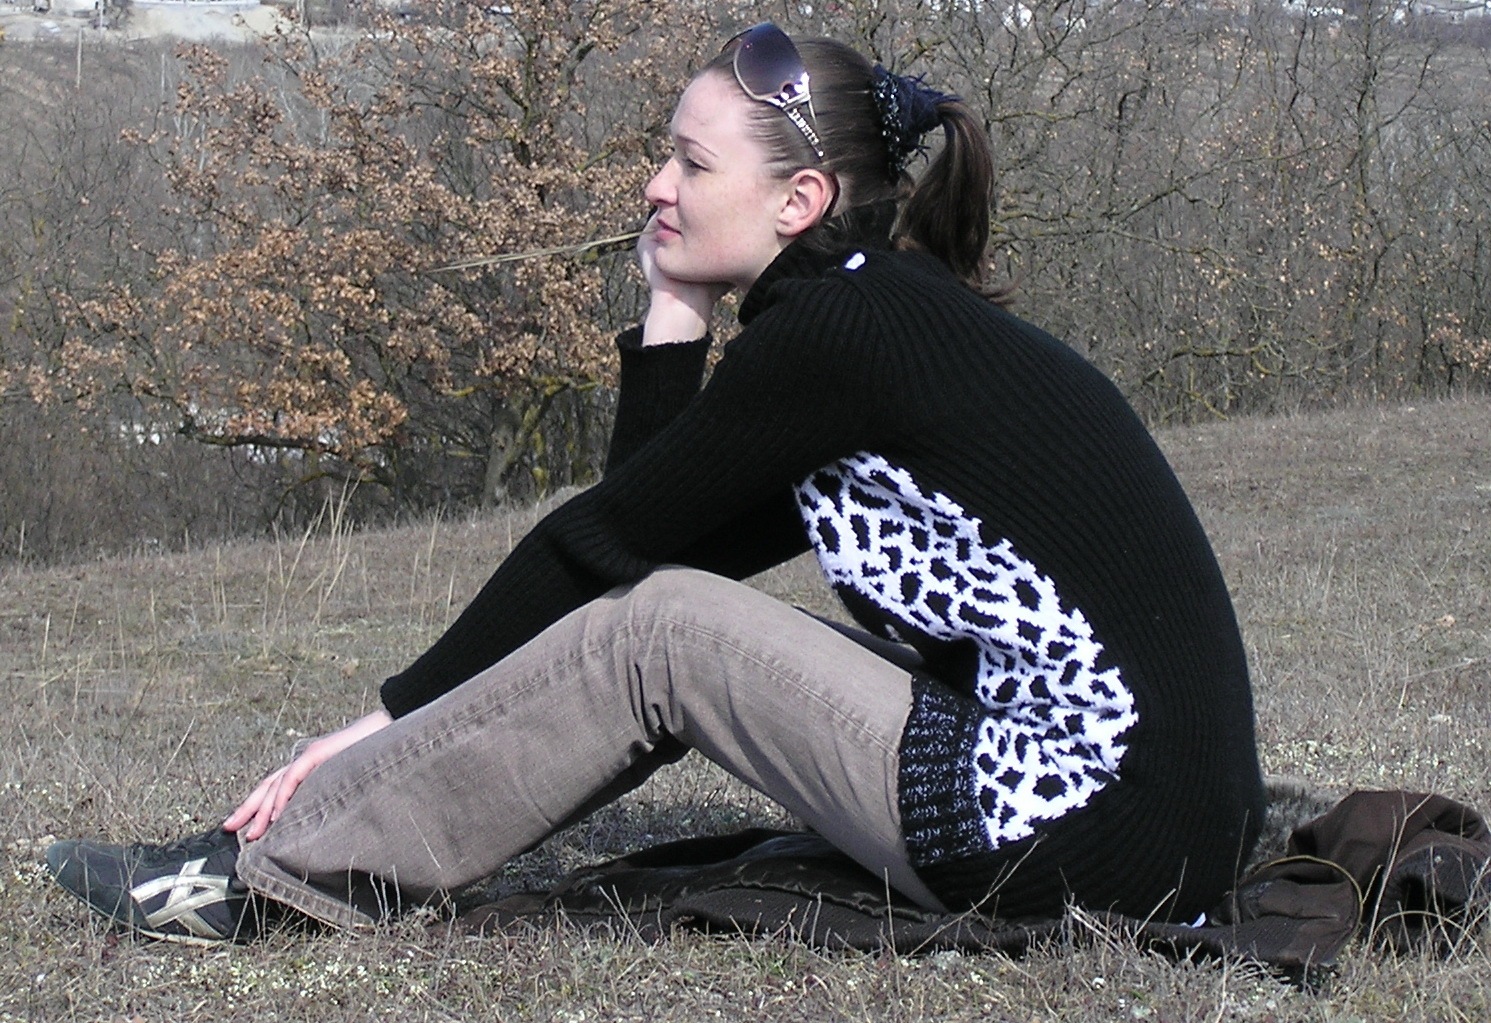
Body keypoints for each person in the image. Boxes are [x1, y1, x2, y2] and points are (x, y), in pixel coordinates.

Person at [46, 23, 1266, 945]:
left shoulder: (835, 337)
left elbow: (605, 551)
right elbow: (648, 548)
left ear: (799, 201)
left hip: (1085, 829)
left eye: (689, 161)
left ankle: (266, 883)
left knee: (669, 634)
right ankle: (285, 858)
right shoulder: (874, 321)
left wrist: (385, 718)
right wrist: (675, 314)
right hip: (1146, 828)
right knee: (664, 616)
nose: (654, 187)